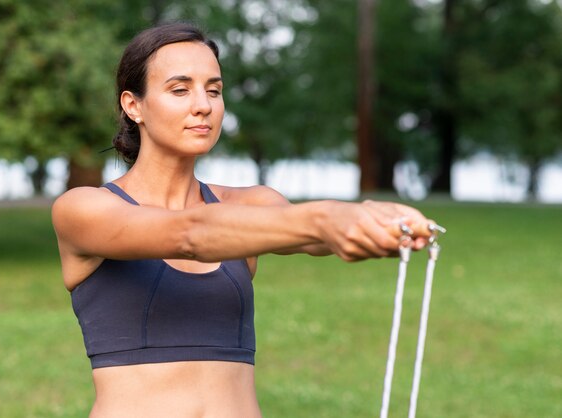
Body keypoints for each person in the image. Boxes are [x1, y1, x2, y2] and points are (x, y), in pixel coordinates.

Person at [52, 22, 434, 418]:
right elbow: (190, 234)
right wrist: (324, 219)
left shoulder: (251, 203)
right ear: (133, 106)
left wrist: (373, 217)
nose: (203, 104)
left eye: (214, 90)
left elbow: (305, 234)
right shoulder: (84, 210)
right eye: (180, 89)